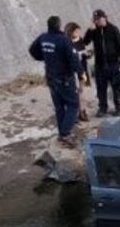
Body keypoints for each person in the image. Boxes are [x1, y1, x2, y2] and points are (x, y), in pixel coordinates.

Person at [30, 16, 83, 148]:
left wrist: (44, 57)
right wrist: (80, 73)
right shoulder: (63, 40)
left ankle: (62, 133)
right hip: (64, 79)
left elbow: (32, 50)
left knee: (59, 107)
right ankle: (65, 133)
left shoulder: (43, 38)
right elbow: (73, 59)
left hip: (51, 78)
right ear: (59, 25)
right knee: (73, 104)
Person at [83, 9, 120, 117]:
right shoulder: (94, 31)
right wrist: (89, 29)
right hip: (100, 65)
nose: (97, 22)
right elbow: (85, 42)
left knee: (116, 87)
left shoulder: (113, 29)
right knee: (101, 88)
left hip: (113, 64)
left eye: (98, 19)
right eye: (95, 20)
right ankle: (103, 108)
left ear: (104, 18)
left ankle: (119, 107)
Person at [65, 22, 91, 122]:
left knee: (81, 92)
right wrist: (78, 54)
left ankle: (82, 112)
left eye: (79, 31)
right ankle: (74, 113)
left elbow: (83, 51)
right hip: (72, 71)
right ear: (71, 32)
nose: (78, 33)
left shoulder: (80, 40)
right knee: (72, 93)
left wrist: (86, 54)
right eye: (76, 31)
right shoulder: (66, 42)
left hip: (81, 69)